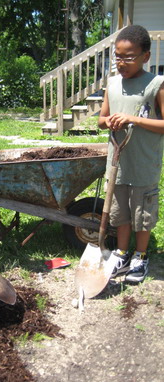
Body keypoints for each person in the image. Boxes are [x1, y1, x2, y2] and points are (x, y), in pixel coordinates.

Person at [98, 25, 164, 283]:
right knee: (120, 213)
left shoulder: (156, 84)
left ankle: (140, 255)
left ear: (145, 56)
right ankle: (122, 251)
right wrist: (111, 121)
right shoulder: (112, 84)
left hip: (144, 164)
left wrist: (133, 119)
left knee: (142, 214)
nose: (121, 62)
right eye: (117, 56)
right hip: (118, 164)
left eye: (128, 56)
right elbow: (101, 120)